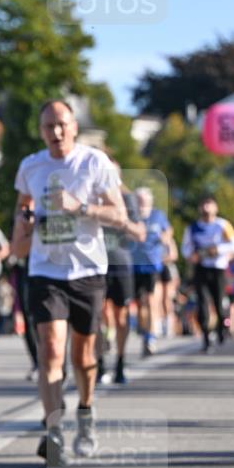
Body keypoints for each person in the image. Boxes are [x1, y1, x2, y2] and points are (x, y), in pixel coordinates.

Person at [11, 100, 126, 465]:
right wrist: (25, 224)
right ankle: (54, 429)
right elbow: (21, 217)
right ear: (41, 130)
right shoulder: (31, 166)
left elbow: (119, 214)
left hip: (87, 272)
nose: (56, 132)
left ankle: (87, 413)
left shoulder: (95, 163)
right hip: (46, 271)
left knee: (84, 357)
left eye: (61, 124)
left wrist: (82, 207)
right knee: (50, 349)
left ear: (74, 126)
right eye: (48, 126)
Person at [97, 164, 146, 385]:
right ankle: (99, 363)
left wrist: (119, 219)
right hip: (94, 264)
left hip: (120, 263)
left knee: (121, 316)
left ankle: (120, 361)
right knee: (96, 316)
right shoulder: (90, 196)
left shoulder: (128, 199)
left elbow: (139, 233)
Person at [181, 195, 234, 352]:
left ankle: (222, 327)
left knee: (219, 303)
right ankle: (206, 337)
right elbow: (186, 248)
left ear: (215, 208)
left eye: (209, 204)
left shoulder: (222, 225)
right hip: (201, 269)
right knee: (202, 302)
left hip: (218, 269)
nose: (206, 208)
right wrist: (192, 256)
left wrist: (218, 250)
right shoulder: (193, 227)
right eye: (203, 204)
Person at [131, 187, 172, 357]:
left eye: (145, 201)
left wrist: (166, 240)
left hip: (153, 265)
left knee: (151, 300)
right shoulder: (131, 216)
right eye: (139, 200)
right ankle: (144, 332)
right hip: (133, 265)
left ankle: (150, 337)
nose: (142, 204)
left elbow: (168, 230)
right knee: (140, 304)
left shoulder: (158, 215)